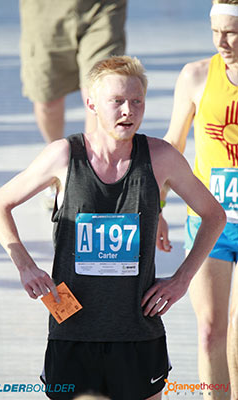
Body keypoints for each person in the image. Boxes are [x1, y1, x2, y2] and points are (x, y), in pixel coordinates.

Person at [0, 56, 226, 400]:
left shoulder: (160, 157)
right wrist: (25, 265)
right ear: (91, 104)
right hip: (71, 328)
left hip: (138, 331)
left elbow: (214, 215)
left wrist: (181, 279)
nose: (128, 111)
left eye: (136, 101)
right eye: (117, 101)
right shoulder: (64, 155)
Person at [157, 1, 238, 399]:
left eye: (232, 33)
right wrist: (155, 208)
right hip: (210, 224)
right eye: (215, 32)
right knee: (210, 331)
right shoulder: (196, 76)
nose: (222, 42)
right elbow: (173, 146)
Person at [19, 0, 127, 143]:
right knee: (47, 102)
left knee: (99, 92)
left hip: (102, 7)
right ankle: (59, 154)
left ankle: (92, 161)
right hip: (44, 11)